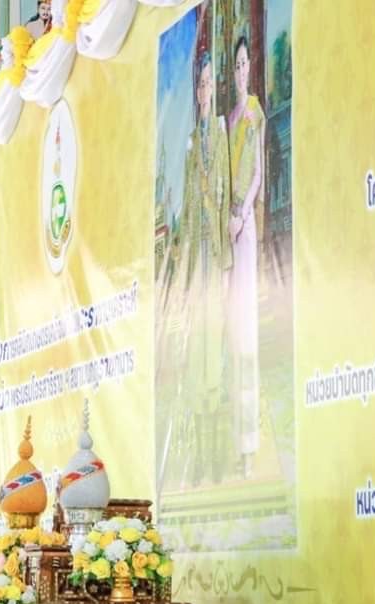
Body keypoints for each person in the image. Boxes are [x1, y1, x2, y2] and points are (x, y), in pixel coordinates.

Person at [176, 49, 231, 487]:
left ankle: (218, 456)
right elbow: (187, 202)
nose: (205, 90)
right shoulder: (191, 141)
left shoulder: (219, 131)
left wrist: (224, 255)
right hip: (197, 264)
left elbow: (225, 193)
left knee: (217, 359)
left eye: (211, 82)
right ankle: (198, 456)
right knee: (197, 359)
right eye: (200, 84)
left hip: (217, 257)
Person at [225, 35, 265, 479]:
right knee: (232, 333)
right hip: (228, 235)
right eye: (233, 65)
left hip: (246, 230)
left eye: (242, 63)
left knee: (248, 332)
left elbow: (254, 172)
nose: (238, 71)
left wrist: (239, 214)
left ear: (250, 66)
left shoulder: (252, 113)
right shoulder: (229, 117)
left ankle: (251, 445)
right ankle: (236, 442)